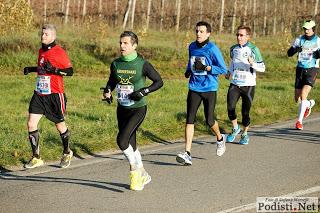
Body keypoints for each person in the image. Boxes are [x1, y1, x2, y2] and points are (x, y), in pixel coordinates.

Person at [103, 31, 163, 191]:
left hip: (138, 108)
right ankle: (144, 173)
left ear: (134, 45)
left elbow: (159, 82)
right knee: (131, 143)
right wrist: (108, 91)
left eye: (125, 43)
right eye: (120, 43)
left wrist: (143, 91)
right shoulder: (116, 64)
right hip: (122, 108)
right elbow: (112, 80)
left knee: (122, 141)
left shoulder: (142, 64)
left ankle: (134, 171)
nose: (122, 46)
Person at [176, 21, 228, 166]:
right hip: (194, 87)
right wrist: (188, 70)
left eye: (201, 31)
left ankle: (220, 138)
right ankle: (187, 153)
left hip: (209, 88)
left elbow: (223, 69)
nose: (198, 34)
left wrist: (208, 67)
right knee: (189, 119)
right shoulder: (192, 46)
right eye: (197, 31)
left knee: (209, 120)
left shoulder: (213, 49)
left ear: (208, 34)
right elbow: (191, 61)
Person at [23, 24, 74, 169]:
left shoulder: (59, 52)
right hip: (39, 94)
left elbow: (70, 72)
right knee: (31, 124)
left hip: (54, 95)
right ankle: (36, 157)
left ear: (53, 37)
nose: (43, 36)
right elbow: (43, 68)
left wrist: (56, 70)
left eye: (46, 34)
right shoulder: (41, 51)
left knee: (60, 126)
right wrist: (32, 69)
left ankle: (67, 152)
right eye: (42, 34)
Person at [225, 26, 265, 145]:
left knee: (245, 112)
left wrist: (253, 64)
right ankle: (235, 128)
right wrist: (229, 72)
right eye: (237, 35)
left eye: (241, 35)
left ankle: (245, 133)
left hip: (249, 85)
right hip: (235, 83)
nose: (238, 37)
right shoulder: (233, 49)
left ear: (248, 36)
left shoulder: (254, 49)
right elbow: (233, 62)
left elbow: (262, 68)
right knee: (230, 108)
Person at [287, 20, 319, 130]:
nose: (306, 30)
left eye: (308, 29)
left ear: (313, 29)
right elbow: (289, 53)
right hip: (300, 69)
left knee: (304, 93)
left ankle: (299, 122)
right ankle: (309, 104)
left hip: (312, 69)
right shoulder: (299, 39)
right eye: (304, 28)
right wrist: (296, 49)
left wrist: (317, 53)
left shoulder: (318, 40)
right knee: (297, 98)